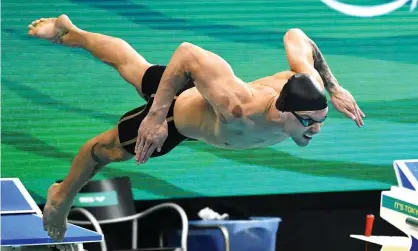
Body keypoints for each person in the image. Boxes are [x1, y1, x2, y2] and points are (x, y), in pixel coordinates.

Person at [27, 14, 364, 241]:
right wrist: (156, 118)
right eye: (308, 122)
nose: (315, 130)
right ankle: (60, 198)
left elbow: (296, 36)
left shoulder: (308, 85)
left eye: (321, 121)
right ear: (283, 108)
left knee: (132, 66)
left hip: (200, 102)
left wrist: (334, 88)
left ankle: (69, 31)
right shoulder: (238, 105)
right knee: (101, 151)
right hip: (177, 117)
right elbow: (187, 52)